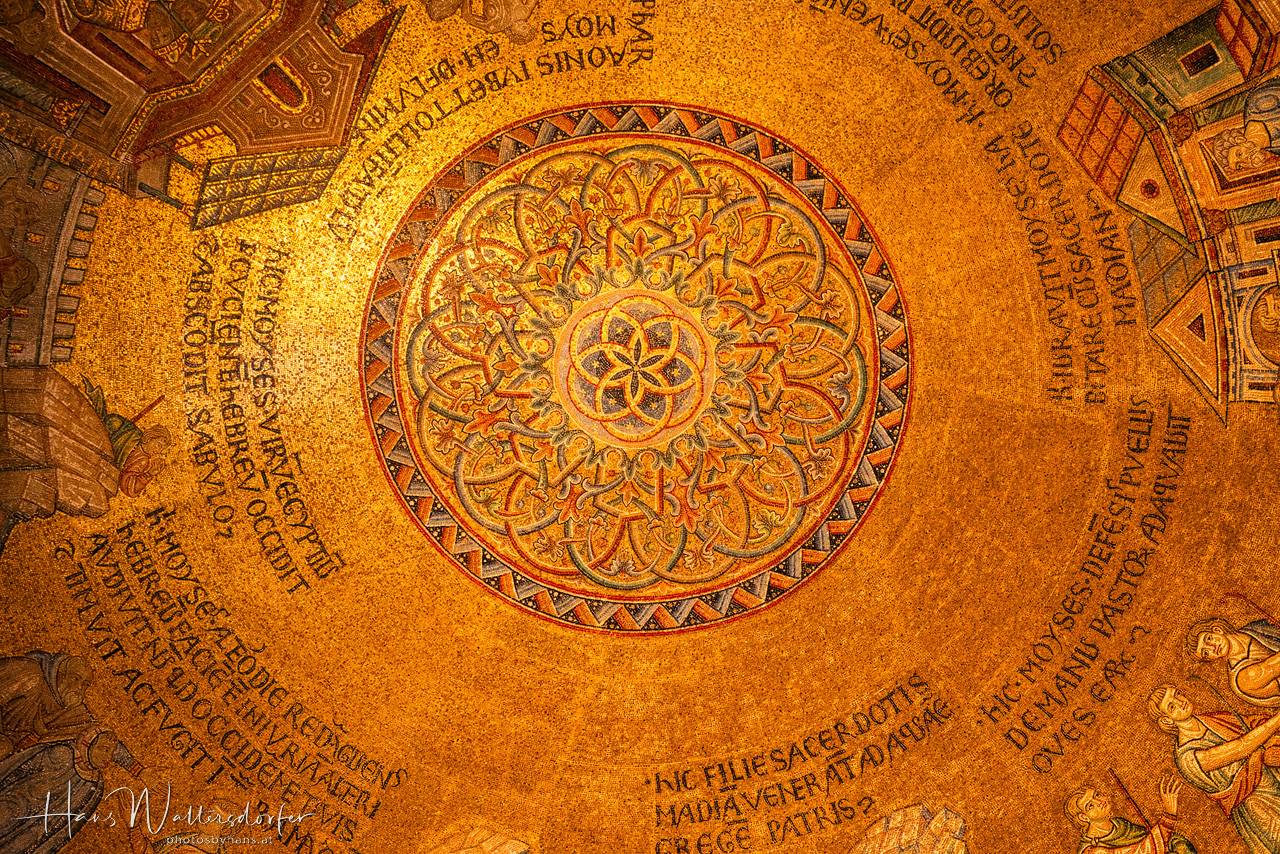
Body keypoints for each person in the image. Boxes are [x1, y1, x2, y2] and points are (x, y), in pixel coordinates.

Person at [0, 651, 140, 853]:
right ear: (59, 674)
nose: (80, 688)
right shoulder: (29, 674)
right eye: (76, 679)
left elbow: (99, 735)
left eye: (85, 685)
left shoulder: (70, 709)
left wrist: (137, 769)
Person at [1148, 684, 1280, 854]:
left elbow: (1249, 724)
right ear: (1167, 720)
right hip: (1258, 804)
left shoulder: (1209, 720)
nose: (1180, 702)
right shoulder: (1188, 758)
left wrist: (1269, 743)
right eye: (1172, 706)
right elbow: (1242, 747)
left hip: (1274, 774)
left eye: (1178, 694)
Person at [1066, 776, 1195, 854]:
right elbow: (1143, 851)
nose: (1100, 802)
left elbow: (1152, 838)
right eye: (1090, 805)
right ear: (1084, 817)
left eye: (1097, 795)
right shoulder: (1091, 850)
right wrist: (1168, 815)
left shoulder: (1120, 825)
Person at [1187, 617, 1280, 707]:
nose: (1213, 648)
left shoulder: (1256, 628)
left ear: (1217, 630)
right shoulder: (1243, 678)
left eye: (1209, 639)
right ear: (1210, 659)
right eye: (1206, 653)